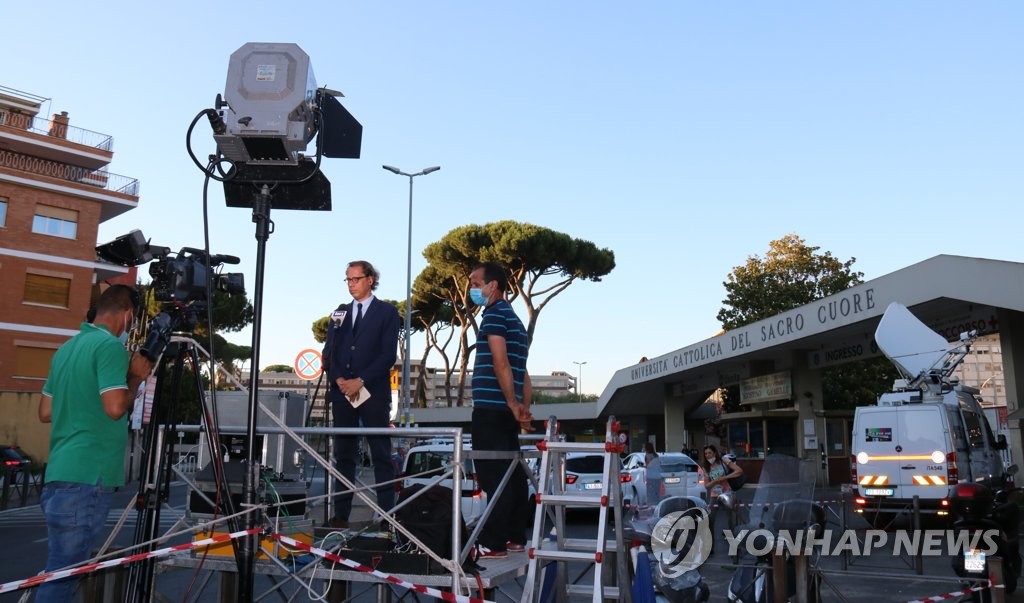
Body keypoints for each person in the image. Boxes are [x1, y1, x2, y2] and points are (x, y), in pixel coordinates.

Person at [36, 284, 152, 603]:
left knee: (59, 569)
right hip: (88, 476)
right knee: (63, 575)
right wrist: (136, 378)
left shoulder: (67, 348)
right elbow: (115, 408)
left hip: (59, 472)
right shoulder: (109, 348)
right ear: (128, 314)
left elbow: (45, 412)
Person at [323, 260, 400, 529]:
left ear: (370, 279)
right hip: (343, 392)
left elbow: (388, 355)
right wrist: (340, 380)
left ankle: (388, 516)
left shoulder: (387, 312)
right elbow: (328, 353)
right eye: (348, 279)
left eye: (356, 279)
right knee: (344, 454)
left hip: (373, 392)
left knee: (381, 453)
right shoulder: (339, 313)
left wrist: (361, 380)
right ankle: (340, 515)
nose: (352, 284)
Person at [469, 262, 534, 559]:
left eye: (475, 282)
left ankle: (493, 542)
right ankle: (515, 537)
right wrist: (523, 408)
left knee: (493, 474)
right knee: (512, 473)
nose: (472, 288)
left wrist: (511, 403)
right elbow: (525, 372)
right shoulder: (516, 320)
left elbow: (501, 363)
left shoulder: (494, 315)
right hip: (506, 412)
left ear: (492, 286)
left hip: (491, 410)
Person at [702, 444, 744, 551]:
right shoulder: (705, 467)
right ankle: (710, 547)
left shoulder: (724, 461)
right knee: (710, 520)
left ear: (715, 453)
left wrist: (725, 477)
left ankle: (734, 546)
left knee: (732, 519)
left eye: (710, 453)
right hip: (714, 496)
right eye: (706, 453)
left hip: (727, 493)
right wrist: (715, 481)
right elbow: (706, 486)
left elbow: (739, 471)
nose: (708, 455)